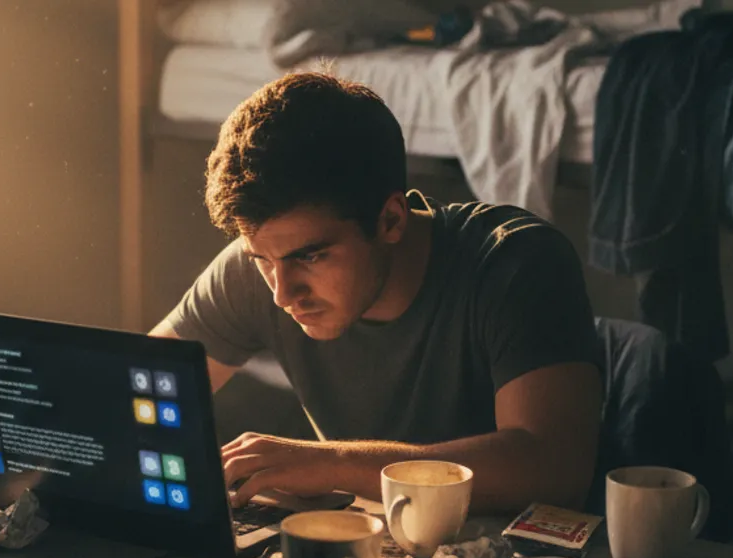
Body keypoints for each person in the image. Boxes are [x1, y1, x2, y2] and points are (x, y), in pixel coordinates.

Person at [152, 73, 601, 514]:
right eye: (262, 260)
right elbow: (138, 389)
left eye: (310, 257)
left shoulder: (515, 262)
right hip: (379, 557)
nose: (282, 294)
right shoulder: (261, 265)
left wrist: (332, 463)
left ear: (390, 220)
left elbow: (554, 469)